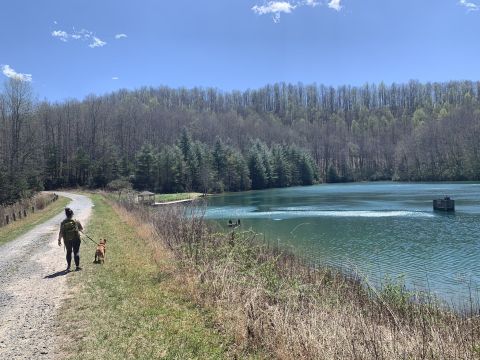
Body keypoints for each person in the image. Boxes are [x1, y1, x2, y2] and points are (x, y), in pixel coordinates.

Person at [58, 207, 83, 272]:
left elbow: (61, 232)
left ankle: (68, 267)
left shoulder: (63, 223)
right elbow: (81, 229)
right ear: (72, 214)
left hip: (67, 240)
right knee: (76, 252)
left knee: (68, 252)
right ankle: (77, 267)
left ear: (66, 214)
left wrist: (59, 240)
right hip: (76, 239)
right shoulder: (76, 221)